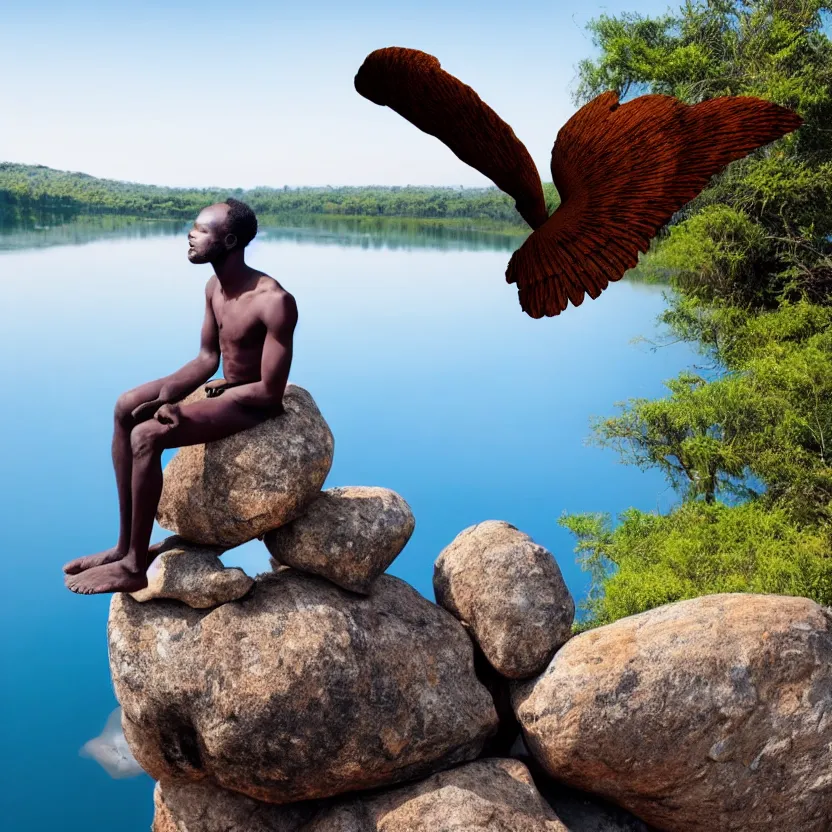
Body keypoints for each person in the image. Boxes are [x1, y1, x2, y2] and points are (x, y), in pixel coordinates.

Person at [63, 199, 298, 594]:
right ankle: (123, 546)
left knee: (147, 436)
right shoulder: (214, 287)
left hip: (255, 404)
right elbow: (208, 359)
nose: (191, 234)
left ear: (229, 240)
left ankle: (136, 565)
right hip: (232, 389)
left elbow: (270, 393)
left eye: (202, 230)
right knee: (125, 407)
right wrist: (173, 390)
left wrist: (197, 405)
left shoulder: (274, 302)